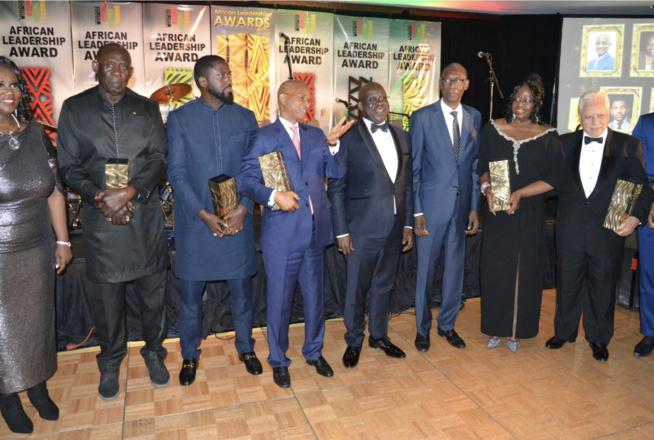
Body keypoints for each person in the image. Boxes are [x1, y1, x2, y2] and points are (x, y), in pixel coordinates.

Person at [57, 43, 170, 399]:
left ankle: (154, 353)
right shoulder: (75, 110)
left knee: (153, 298)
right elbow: (68, 166)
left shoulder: (147, 108)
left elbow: (159, 159)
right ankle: (110, 362)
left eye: (124, 66)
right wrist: (99, 196)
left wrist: (132, 190)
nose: (118, 72)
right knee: (107, 303)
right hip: (101, 220)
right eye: (110, 66)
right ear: (96, 66)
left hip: (144, 218)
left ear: (131, 70)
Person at [237, 79, 353, 388]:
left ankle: (314, 351)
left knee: (316, 298)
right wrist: (274, 197)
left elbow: (335, 172)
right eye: (301, 97)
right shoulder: (264, 137)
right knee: (280, 301)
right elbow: (245, 181)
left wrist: (333, 145)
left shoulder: (315, 135)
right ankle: (278, 359)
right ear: (282, 99)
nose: (307, 103)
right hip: (282, 236)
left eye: (309, 98)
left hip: (315, 233)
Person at [166, 55, 261, 385]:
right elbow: (176, 173)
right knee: (191, 299)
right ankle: (190, 355)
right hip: (196, 225)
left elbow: (254, 170)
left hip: (238, 221)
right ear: (203, 82)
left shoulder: (246, 117)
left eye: (229, 73)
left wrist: (245, 208)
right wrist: (203, 214)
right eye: (222, 74)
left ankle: (246, 347)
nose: (229, 78)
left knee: (242, 294)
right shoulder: (180, 119)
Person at [545, 91, 652, 361]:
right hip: (570, 229)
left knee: (603, 288)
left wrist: (635, 217)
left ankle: (599, 339)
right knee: (567, 283)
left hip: (608, 230)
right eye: (588, 116)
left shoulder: (629, 145)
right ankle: (564, 332)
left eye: (600, 116)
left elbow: (642, 188)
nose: (594, 122)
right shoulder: (564, 143)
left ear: (609, 115)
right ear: (579, 117)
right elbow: (548, 181)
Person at [0, 56, 73, 434]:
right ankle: (7, 395)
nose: (8, 92)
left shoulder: (36, 133)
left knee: (39, 322)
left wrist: (62, 240)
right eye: (0, 86)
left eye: (13, 84)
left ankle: (38, 387)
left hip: (38, 245)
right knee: (3, 328)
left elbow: (55, 192)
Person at [477, 74, 569, 353]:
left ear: (536, 103)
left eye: (527, 100)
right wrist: (488, 190)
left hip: (529, 212)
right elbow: (481, 167)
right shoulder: (493, 128)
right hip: (499, 212)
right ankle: (496, 328)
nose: (521, 104)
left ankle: (516, 330)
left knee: (523, 272)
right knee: (495, 270)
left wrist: (520, 193)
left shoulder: (548, 135)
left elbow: (557, 178)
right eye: (517, 98)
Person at [327, 82, 414, 368]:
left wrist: (408, 225)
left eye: (383, 98)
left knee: (384, 285)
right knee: (356, 288)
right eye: (372, 99)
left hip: (394, 225)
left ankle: (379, 335)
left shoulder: (402, 136)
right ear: (361, 106)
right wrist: (341, 230)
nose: (380, 103)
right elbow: (336, 188)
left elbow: (406, 185)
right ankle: (354, 340)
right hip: (360, 228)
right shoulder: (348, 138)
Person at [411, 62, 481, 352]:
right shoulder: (422, 117)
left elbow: (474, 166)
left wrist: (474, 207)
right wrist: (416, 211)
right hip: (430, 209)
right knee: (425, 272)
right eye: (448, 80)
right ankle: (422, 329)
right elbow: (413, 169)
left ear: (466, 85)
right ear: (440, 84)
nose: (453, 85)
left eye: (459, 80)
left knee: (454, 270)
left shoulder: (474, 116)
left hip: (461, 207)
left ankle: (447, 325)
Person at [633, 112, 654, 356]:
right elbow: (636, 169)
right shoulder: (647, 123)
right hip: (651, 213)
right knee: (649, 273)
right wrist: (647, 202)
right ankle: (650, 332)